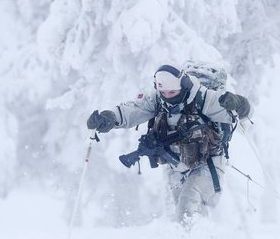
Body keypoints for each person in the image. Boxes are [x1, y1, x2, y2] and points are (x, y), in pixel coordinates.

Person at [86, 64, 252, 226]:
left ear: (184, 86)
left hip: (209, 164)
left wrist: (240, 104)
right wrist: (108, 118)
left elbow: (243, 114)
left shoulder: (203, 98)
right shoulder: (157, 99)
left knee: (187, 204)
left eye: (173, 92)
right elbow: (133, 110)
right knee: (183, 215)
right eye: (164, 92)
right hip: (176, 166)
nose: (168, 96)